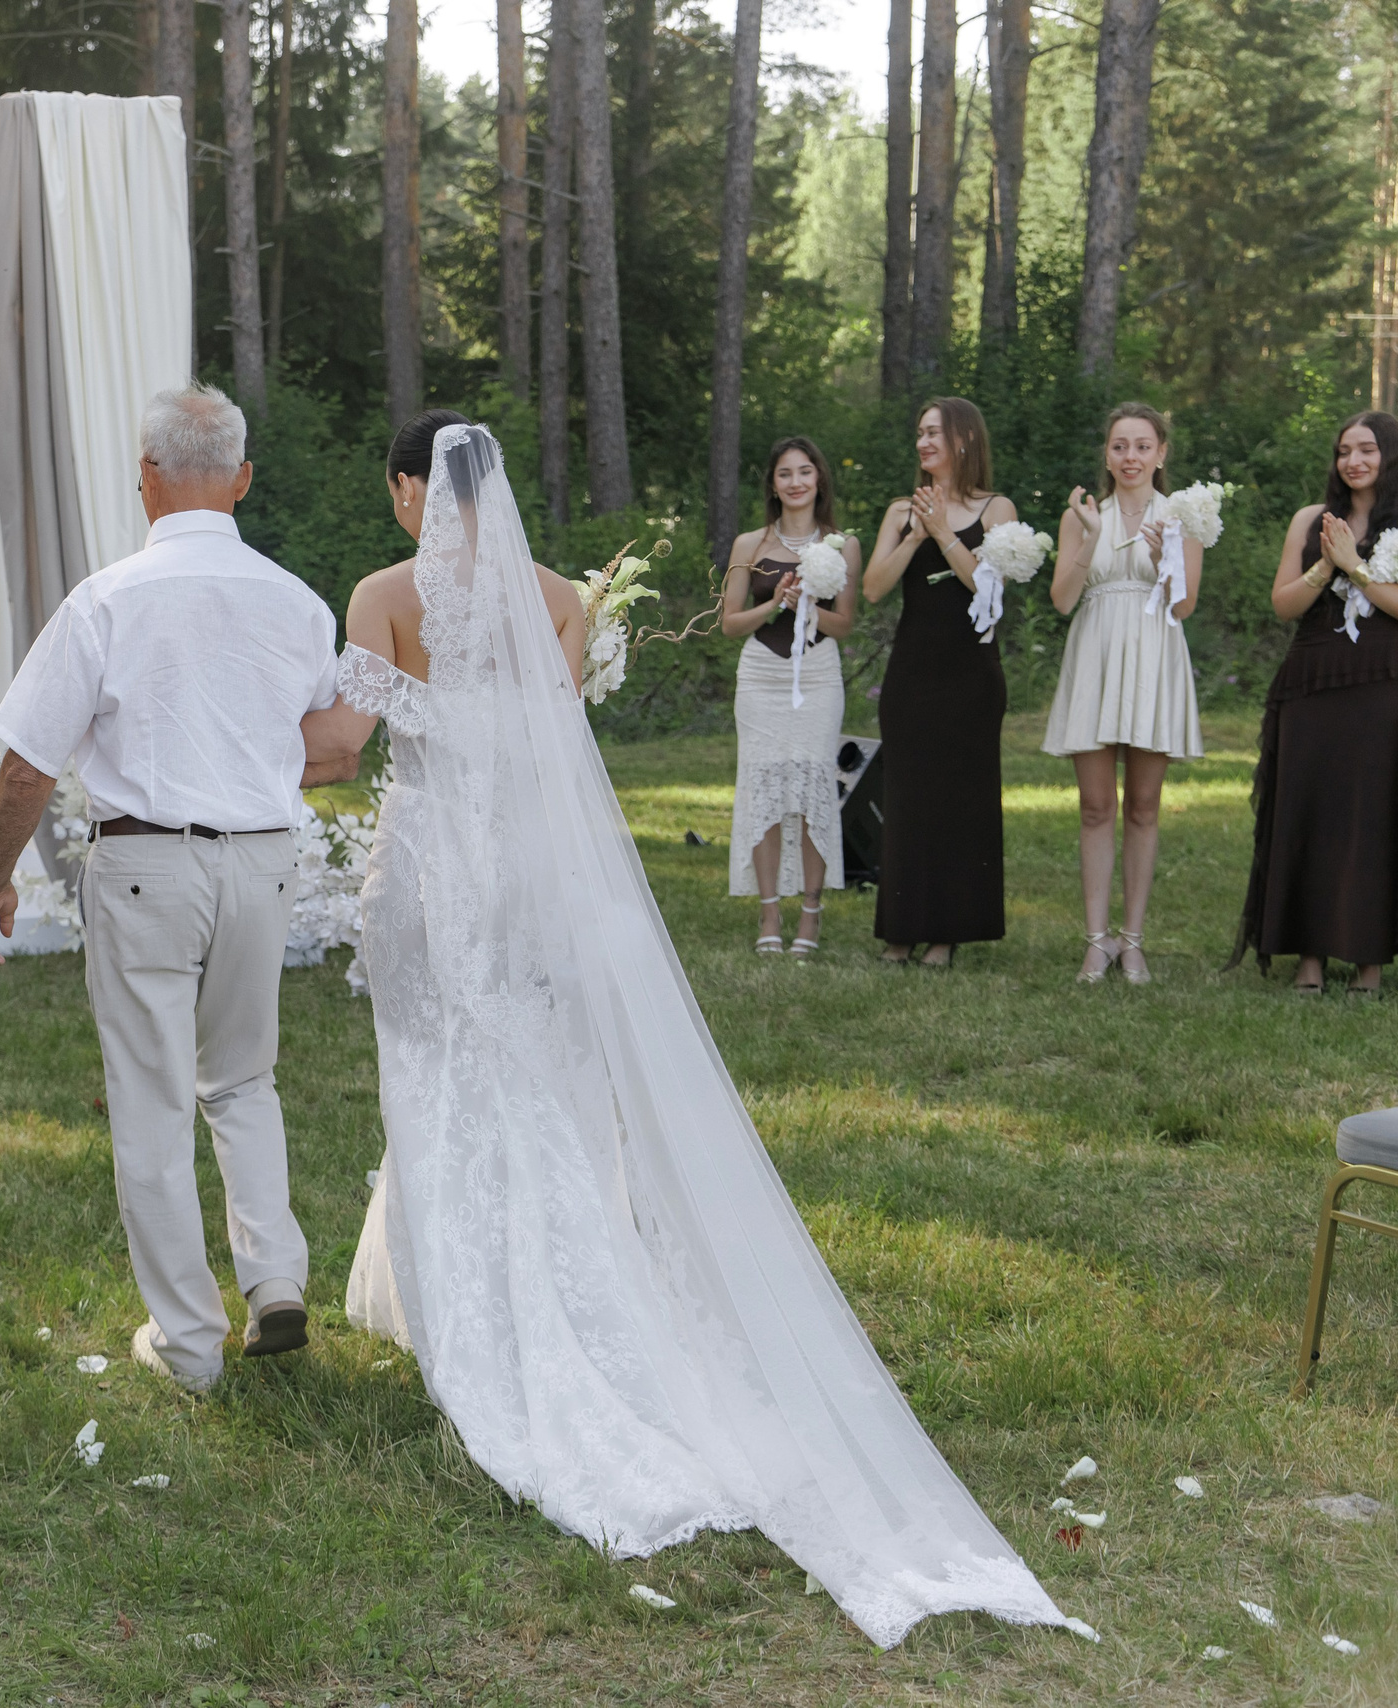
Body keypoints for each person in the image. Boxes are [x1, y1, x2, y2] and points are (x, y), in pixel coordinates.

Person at [305, 420, 1082, 1650]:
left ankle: (464, 1312)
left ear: (409, 488)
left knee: (439, 1076)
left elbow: (345, 746)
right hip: (536, 880)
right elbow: (548, 736)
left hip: (438, 867)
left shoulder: (380, 594)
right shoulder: (559, 595)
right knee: (546, 1083)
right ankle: (494, 1283)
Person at [0, 384, 345, 1392]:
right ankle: (274, 1277)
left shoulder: (106, 598)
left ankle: (187, 1343)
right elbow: (325, 745)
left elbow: (26, 764)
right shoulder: (298, 601)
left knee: (152, 1101)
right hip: (261, 861)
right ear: (245, 479)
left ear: (145, 479)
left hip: (146, 866)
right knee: (245, 1079)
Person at [1231, 412, 1398, 994]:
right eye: (1344, 451)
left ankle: (1368, 961)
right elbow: (1283, 603)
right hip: (1310, 682)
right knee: (1309, 812)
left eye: (1368, 450)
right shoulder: (1310, 519)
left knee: (1371, 816)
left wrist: (1356, 565)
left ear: (1390, 455)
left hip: (1381, 682)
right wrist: (1327, 564)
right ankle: (1308, 959)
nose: (1353, 461)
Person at [1044, 404, 1203, 984]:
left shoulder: (1184, 515)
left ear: (1161, 453)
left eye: (1141, 446)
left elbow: (1184, 607)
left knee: (1142, 805)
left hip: (1155, 654)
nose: (1130, 457)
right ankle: (1096, 941)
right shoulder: (1085, 515)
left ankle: (1132, 940)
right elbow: (1062, 599)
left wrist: (1165, 560)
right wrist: (1087, 538)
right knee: (1095, 807)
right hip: (1095, 652)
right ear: (1107, 454)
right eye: (1119, 446)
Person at [862, 398, 1017, 968]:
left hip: (971, 674)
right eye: (920, 432)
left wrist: (943, 534)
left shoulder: (996, 510)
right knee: (908, 797)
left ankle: (948, 932)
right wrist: (912, 535)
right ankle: (901, 928)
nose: (924, 442)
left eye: (934, 433)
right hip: (913, 671)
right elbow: (875, 588)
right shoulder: (902, 509)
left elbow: (990, 592)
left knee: (961, 798)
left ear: (964, 441)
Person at [719, 438, 859, 956]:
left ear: (819, 480)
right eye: (785, 474)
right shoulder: (748, 546)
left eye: (805, 472)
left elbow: (844, 623)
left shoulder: (841, 544)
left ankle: (811, 913)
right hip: (760, 675)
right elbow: (730, 624)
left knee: (811, 790)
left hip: (818, 675)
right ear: (773, 485)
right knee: (765, 790)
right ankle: (769, 911)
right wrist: (776, 603)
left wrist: (808, 609)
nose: (796, 482)